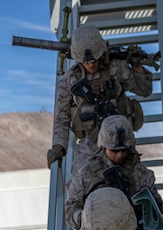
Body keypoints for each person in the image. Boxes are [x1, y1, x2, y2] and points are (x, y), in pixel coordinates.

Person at [47, 25, 153, 174]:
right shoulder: (70, 80)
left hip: (120, 142)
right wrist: (59, 147)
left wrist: (136, 66)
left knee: (133, 182)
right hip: (90, 143)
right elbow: (62, 117)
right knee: (78, 182)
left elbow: (145, 90)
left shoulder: (117, 68)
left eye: (94, 60)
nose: (91, 64)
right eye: (86, 62)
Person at [63, 115, 163, 230]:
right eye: (114, 151)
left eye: (124, 150)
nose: (119, 155)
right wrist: (88, 218)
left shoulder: (141, 174)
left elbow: (156, 208)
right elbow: (70, 210)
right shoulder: (86, 174)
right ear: (103, 147)